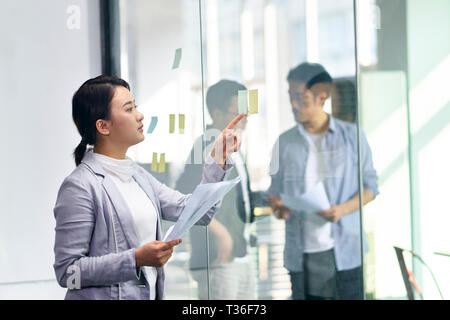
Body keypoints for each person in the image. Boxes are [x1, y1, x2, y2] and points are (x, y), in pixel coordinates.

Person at [53, 75, 244, 300]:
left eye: (136, 106)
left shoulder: (138, 176)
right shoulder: (80, 186)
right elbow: (68, 272)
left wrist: (218, 159)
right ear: (103, 126)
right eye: (129, 109)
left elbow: (197, 213)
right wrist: (135, 259)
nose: (140, 115)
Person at [267, 63, 379, 300]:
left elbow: (370, 187)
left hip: (345, 252)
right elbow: (274, 191)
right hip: (302, 256)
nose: (294, 105)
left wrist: (342, 210)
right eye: (291, 97)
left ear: (321, 97)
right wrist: (279, 207)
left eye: (300, 97)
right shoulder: (284, 142)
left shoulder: (352, 137)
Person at [175, 80, 259, 299]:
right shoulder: (206, 146)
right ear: (217, 113)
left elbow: (241, 199)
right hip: (217, 257)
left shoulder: (233, 145)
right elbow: (185, 197)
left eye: (246, 113)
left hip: (241, 253)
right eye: (238, 113)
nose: (245, 120)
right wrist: (221, 233)